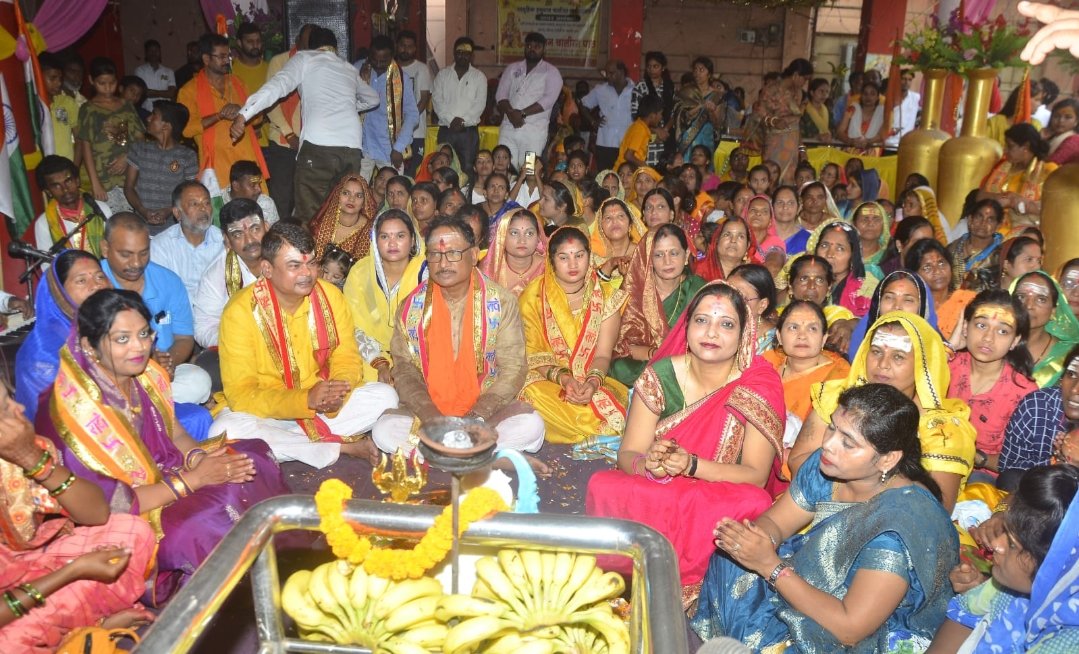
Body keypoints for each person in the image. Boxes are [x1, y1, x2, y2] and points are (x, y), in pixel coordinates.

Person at [37, 289, 288, 603]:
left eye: (144, 334)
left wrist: (198, 458)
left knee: (251, 458)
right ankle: (239, 597)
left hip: (172, 473)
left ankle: (278, 557)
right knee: (202, 523)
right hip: (123, 516)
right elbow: (108, 506)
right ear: (88, 346)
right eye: (122, 339)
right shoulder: (72, 416)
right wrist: (194, 480)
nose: (139, 347)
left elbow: (176, 433)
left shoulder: (146, 375)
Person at [691, 383, 958, 651]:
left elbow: (850, 629)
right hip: (807, 578)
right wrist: (755, 542)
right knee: (732, 561)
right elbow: (777, 522)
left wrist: (769, 566)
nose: (828, 444)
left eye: (848, 443)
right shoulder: (828, 467)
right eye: (831, 427)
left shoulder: (899, 524)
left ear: (888, 460)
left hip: (862, 629)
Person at [587, 281, 785, 591]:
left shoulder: (757, 384)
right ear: (687, 326)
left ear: (743, 334)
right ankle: (637, 571)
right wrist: (646, 465)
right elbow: (628, 453)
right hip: (660, 485)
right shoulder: (660, 375)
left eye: (726, 324)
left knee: (754, 501)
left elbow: (756, 476)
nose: (711, 333)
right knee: (602, 484)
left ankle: (691, 582)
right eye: (702, 320)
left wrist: (690, 465)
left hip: (718, 489)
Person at [211, 223, 398, 468]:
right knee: (225, 430)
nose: (307, 273)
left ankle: (294, 445)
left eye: (311, 263)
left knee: (385, 396)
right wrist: (304, 400)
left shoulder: (331, 296)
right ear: (267, 268)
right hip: (268, 413)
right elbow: (241, 395)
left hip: (324, 407)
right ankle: (337, 447)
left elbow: (346, 356)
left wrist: (337, 392)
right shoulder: (239, 312)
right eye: (294, 266)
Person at [0, 378, 157, 651]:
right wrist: (73, 570)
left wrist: (33, 461)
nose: (19, 408)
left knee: (133, 533)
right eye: (4, 408)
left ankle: (76, 631)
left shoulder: (19, 449)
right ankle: (83, 632)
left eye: (9, 397)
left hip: (31, 565)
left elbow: (97, 514)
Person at [371, 214, 546, 458]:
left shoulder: (500, 302)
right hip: (429, 413)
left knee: (532, 426)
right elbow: (404, 369)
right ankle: (482, 457)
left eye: (453, 253)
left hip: (485, 412)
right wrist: (432, 417)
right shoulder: (411, 308)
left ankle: (445, 454)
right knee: (383, 431)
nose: (443, 263)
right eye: (435, 254)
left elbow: (513, 368)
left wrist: (475, 417)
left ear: (473, 255)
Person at [789, 312, 977, 511]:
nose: (882, 364)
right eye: (876, 352)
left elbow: (934, 509)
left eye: (898, 356)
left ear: (924, 364)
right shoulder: (837, 398)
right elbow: (797, 461)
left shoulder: (942, 431)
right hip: (816, 506)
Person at [233, 27, 379, 223]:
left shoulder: (305, 58)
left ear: (311, 47)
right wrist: (350, 107)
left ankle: (312, 244)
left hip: (319, 147)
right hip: (351, 149)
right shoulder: (348, 67)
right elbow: (373, 98)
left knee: (310, 215)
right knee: (341, 213)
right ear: (335, 48)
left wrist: (244, 114)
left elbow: (277, 86)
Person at [930, 464, 1079, 653]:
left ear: (1055, 565)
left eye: (1012, 544)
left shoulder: (1068, 643)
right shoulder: (1009, 590)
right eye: (1004, 530)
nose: (995, 545)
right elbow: (963, 615)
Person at [520, 227, 628, 443]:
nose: (573, 264)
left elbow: (603, 355)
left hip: (591, 377)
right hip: (546, 378)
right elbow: (533, 354)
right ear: (551, 261)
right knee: (533, 396)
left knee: (611, 417)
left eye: (579, 255)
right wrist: (564, 379)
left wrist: (592, 384)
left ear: (590, 257)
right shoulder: (533, 296)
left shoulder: (606, 297)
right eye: (563, 257)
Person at [945, 290, 1037, 482]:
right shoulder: (946, 366)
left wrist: (977, 457)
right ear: (965, 328)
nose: (988, 338)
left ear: (1015, 341)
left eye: (1002, 331)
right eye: (981, 325)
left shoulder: (1024, 393)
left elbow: (1022, 464)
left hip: (983, 481)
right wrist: (948, 348)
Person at [610, 224, 705, 386]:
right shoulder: (636, 288)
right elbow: (620, 345)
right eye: (659, 255)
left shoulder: (699, 290)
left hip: (683, 364)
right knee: (620, 368)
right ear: (649, 259)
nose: (667, 261)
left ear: (686, 255)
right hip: (642, 363)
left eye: (674, 253)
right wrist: (655, 353)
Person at [342, 209, 426, 384]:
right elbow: (353, 326)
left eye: (400, 236)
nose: (392, 243)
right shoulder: (360, 273)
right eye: (384, 236)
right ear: (375, 241)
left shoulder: (426, 274)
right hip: (369, 356)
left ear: (412, 240)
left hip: (419, 358)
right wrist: (380, 363)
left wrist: (404, 364)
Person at [177, 34, 268, 192]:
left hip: (248, 162)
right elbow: (186, 129)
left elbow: (258, 118)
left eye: (228, 56)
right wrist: (219, 116)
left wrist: (242, 111)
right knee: (223, 206)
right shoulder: (188, 91)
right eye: (221, 56)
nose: (227, 60)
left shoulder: (238, 83)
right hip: (217, 168)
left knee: (259, 201)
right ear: (206, 59)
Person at [997, 345, 1079, 487]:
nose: (1075, 389)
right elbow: (1008, 467)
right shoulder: (1037, 406)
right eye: (1071, 374)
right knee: (1009, 479)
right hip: (1037, 492)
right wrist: (1057, 463)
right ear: (1061, 378)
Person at [764, 299, 850, 430]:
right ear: (779, 336)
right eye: (793, 327)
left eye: (812, 328)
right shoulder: (767, 362)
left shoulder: (838, 376)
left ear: (824, 339)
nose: (802, 336)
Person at [193, 198, 266, 350]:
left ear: (267, 227)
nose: (250, 240)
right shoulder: (216, 274)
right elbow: (204, 326)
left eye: (255, 229)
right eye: (238, 234)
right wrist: (236, 343)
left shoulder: (285, 260)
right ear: (227, 240)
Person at [260, 24, 314, 222]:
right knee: (282, 200)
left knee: (306, 201)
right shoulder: (280, 61)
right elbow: (271, 102)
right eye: (306, 44)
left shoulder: (318, 64)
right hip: (284, 142)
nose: (309, 48)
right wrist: (289, 134)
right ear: (297, 41)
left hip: (310, 144)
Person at [77, 57, 144, 213]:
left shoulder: (126, 106)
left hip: (129, 176)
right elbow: (86, 146)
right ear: (91, 81)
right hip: (103, 178)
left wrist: (127, 157)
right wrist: (95, 183)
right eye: (102, 83)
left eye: (112, 83)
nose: (108, 88)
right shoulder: (88, 109)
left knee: (131, 219)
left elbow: (140, 138)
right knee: (110, 221)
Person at [124, 101, 198, 235]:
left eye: (154, 115)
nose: (148, 118)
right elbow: (129, 187)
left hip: (173, 231)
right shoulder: (139, 149)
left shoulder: (187, 156)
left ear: (166, 126)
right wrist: (143, 210)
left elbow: (190, 194)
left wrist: (169, 211)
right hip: (140, 229)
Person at [495, 32, 563, 168]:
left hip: (534, 133)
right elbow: (501, 95)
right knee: (504, 168)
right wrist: (511, 113)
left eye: (537, 46)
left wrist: (522, 114)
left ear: (544, 49)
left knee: (529, 170)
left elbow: (548, 100)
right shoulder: (512, 68)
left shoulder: (551, 72)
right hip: (508, 128)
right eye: (529, 46)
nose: (532, 49)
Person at [150, 181, 225, 301]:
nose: (203, 208)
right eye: (194, 204)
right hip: (178, 310)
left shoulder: (224, 241)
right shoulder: (160, 247)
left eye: (206, 203)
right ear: (177, 213)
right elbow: (161, 293)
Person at [846, 269, 938, 363]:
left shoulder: (938, 355)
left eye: (908, 300)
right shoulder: (860, 342)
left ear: (923, 308)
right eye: (889, 298)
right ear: (878, 303)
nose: (897, 306)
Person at [979, 123, 1058, 229]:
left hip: (1026, 231)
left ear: (1026, 147)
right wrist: (1006, 197)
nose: (1005, 150)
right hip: (992, 225)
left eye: (1010, 146)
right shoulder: (1002, 166)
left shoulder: (1048, 171)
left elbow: (1054, 210)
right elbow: (979, 196)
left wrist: (1016, 203)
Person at [32, 155, 110, 256]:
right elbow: (46, 263)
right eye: (56, 186)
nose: (65, 189)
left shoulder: (100, 209)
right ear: (48, 192)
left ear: (77, 181)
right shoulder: (44, 224)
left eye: (68, 181)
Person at [1013, 271, 1079, 388]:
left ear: (1053, 310)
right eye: (1021, 297)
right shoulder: (996, 342)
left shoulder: (1069, 354)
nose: (1029, 305)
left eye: (1041, 299)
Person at [432, 37, 487, 176]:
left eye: (467, 53)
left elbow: (479, 104)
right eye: (459, 52)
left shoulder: (479, 77)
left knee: (468, 168)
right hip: (446, 129)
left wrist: (463, 121)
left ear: (472, 55)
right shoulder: (442, 75)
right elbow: (437, 101)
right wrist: (451, 120)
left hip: (468, 132)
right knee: (443, 167)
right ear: (454, 53)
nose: (463, 56)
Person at [807, 220, 876, 318]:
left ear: (853, 255)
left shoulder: (866, 287)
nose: (830, 254)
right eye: (824, 245)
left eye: (840, 249)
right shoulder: (805, 281)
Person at [760, 59, 812, 184]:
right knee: (772, 176)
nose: (805, 83)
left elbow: (796, 124)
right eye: (804, 79)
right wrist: (773, 121)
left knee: (789, 179)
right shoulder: (771, 90)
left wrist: (802, 150)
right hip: (775, 142)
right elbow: (758, 116)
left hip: (792, 143)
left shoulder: (798, 93)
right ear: (796, 75)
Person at [308, 174, 377, 262]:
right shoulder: (322, 222)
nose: (351, 199)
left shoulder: (370, 231)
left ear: (364, 202)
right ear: (337, 195)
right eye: (346, 193)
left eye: (358, 195)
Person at [480, 207, 547, 296]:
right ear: (502, 236)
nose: (522, 241)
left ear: (538, 238)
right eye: (514, 233)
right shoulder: (489, 267)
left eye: (529, 233)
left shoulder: (547, 267)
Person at [582, 59, 634, 171]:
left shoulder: (635, 90)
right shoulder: (600, 90)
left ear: (621, 72)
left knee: (626, 176)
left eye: (611, 73)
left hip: (628, 145)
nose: (607, 76)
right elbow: (583, 105)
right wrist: (592, 121)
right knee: (605, 176)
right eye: (606, 73)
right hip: (605, 143)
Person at [394, 31, 432, 176]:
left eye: (410, 46)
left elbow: (424, 100)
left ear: (415, 48)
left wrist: (407, 120)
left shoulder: (421, 69)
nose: (406, 49)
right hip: (392, 131)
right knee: (394, 171)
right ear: (397, 46)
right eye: (403, 45)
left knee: (412, 171)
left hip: (416, 131)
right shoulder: (390, 67)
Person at [946, 199, 1005, 293]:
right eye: (979, 217)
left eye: (990, 220)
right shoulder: (952, 249)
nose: (983, 223)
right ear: (970, 220)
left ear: (998, 226)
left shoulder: (1001, 256)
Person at [672, 57, 722, 159]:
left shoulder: (716, 95)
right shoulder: (686, 92)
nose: (697, 73)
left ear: (709, 74)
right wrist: (700, 106)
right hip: (687, 137)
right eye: (695, 70)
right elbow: (681, 115)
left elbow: (717, 124)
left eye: (701, 70)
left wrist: (711, 111)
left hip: (706, 136)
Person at [695, 217, 758, 282]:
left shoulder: (756, 275)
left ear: (748, 245)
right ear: (717, 241)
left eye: (741, 236)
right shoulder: (698, 271)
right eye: (727, 235)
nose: (733, 240)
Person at [39, 53, 78, 161]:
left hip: (67, 165)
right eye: (52, 78)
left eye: (60, 78)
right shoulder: (31, 108)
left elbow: (79, 140)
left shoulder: (67, 103)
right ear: (38, 76)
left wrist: (74, 166)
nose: (59, 83)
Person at [220, 159, 281, 226]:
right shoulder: (217, 202)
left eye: (259, 184)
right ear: (236, 186)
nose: (259, 190)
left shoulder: (265, 203)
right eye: (253, 185)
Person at [837, 81, 885, 155]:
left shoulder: (882, 113)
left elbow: (882, 135)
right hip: (850, 151)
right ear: (861, 96)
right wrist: (851, 141)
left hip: (872, 153)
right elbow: (840, 132)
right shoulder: (852, 109)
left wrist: (868, 141)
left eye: (872, 94)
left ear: (877, 97)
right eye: (865, 93)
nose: (868, 97)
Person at [632, 51, 675, 126]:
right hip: (647, 130)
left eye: (655, 66)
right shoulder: (640, 86)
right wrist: (656, 130)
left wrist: (665, 129)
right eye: (649, 66)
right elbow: (635, 114)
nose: (651, 69)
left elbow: (674, 112)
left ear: (663, 68)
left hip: (667, 130)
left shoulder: (670, 87)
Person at [133, 39, 176, 112]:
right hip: (146, 110)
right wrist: (164, 93)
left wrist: (152, 92)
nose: (154, 53)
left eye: (156, 50)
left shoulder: (169, 72)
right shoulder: (140, 71)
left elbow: (171, 93)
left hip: (165, 110)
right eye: (150, 50)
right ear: (146, 53)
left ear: (160, 52)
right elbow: (143, 92)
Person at [230, 23, 267, 106]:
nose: (255, 45)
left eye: (258, 41)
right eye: (250, 42)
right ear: (239, 43)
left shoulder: (270, 68)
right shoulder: (230, 69)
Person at [884, 69, 921, 149]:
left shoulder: (915, 97)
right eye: (903, 79)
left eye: (909, 80)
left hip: (906, 143)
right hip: (888, 143)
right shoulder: (889, 97)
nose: (906, 82)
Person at [772, 185, 809, 254]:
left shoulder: (808, 240)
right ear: (772, 207)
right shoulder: (761, 235)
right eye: (780, 202)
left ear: (798, 208)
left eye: (790, 203)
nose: (785, 207)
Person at [1045, 97, 1079, 166]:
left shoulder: (1074, 141)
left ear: (1076, 121)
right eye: (1056, 116)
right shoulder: (1050, 136)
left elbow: (1052, 164)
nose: (1061, 121)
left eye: (1068, 117)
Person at [800, 78, 833, 142]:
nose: (824, 95)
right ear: (812, 92)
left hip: (826, 146)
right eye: (821, 91)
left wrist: (829, 135)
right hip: (808, 145)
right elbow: (799, 131)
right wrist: (817, 136)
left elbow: (833, 129)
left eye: (827, 92)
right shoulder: (803, 110)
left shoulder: (828, 110)